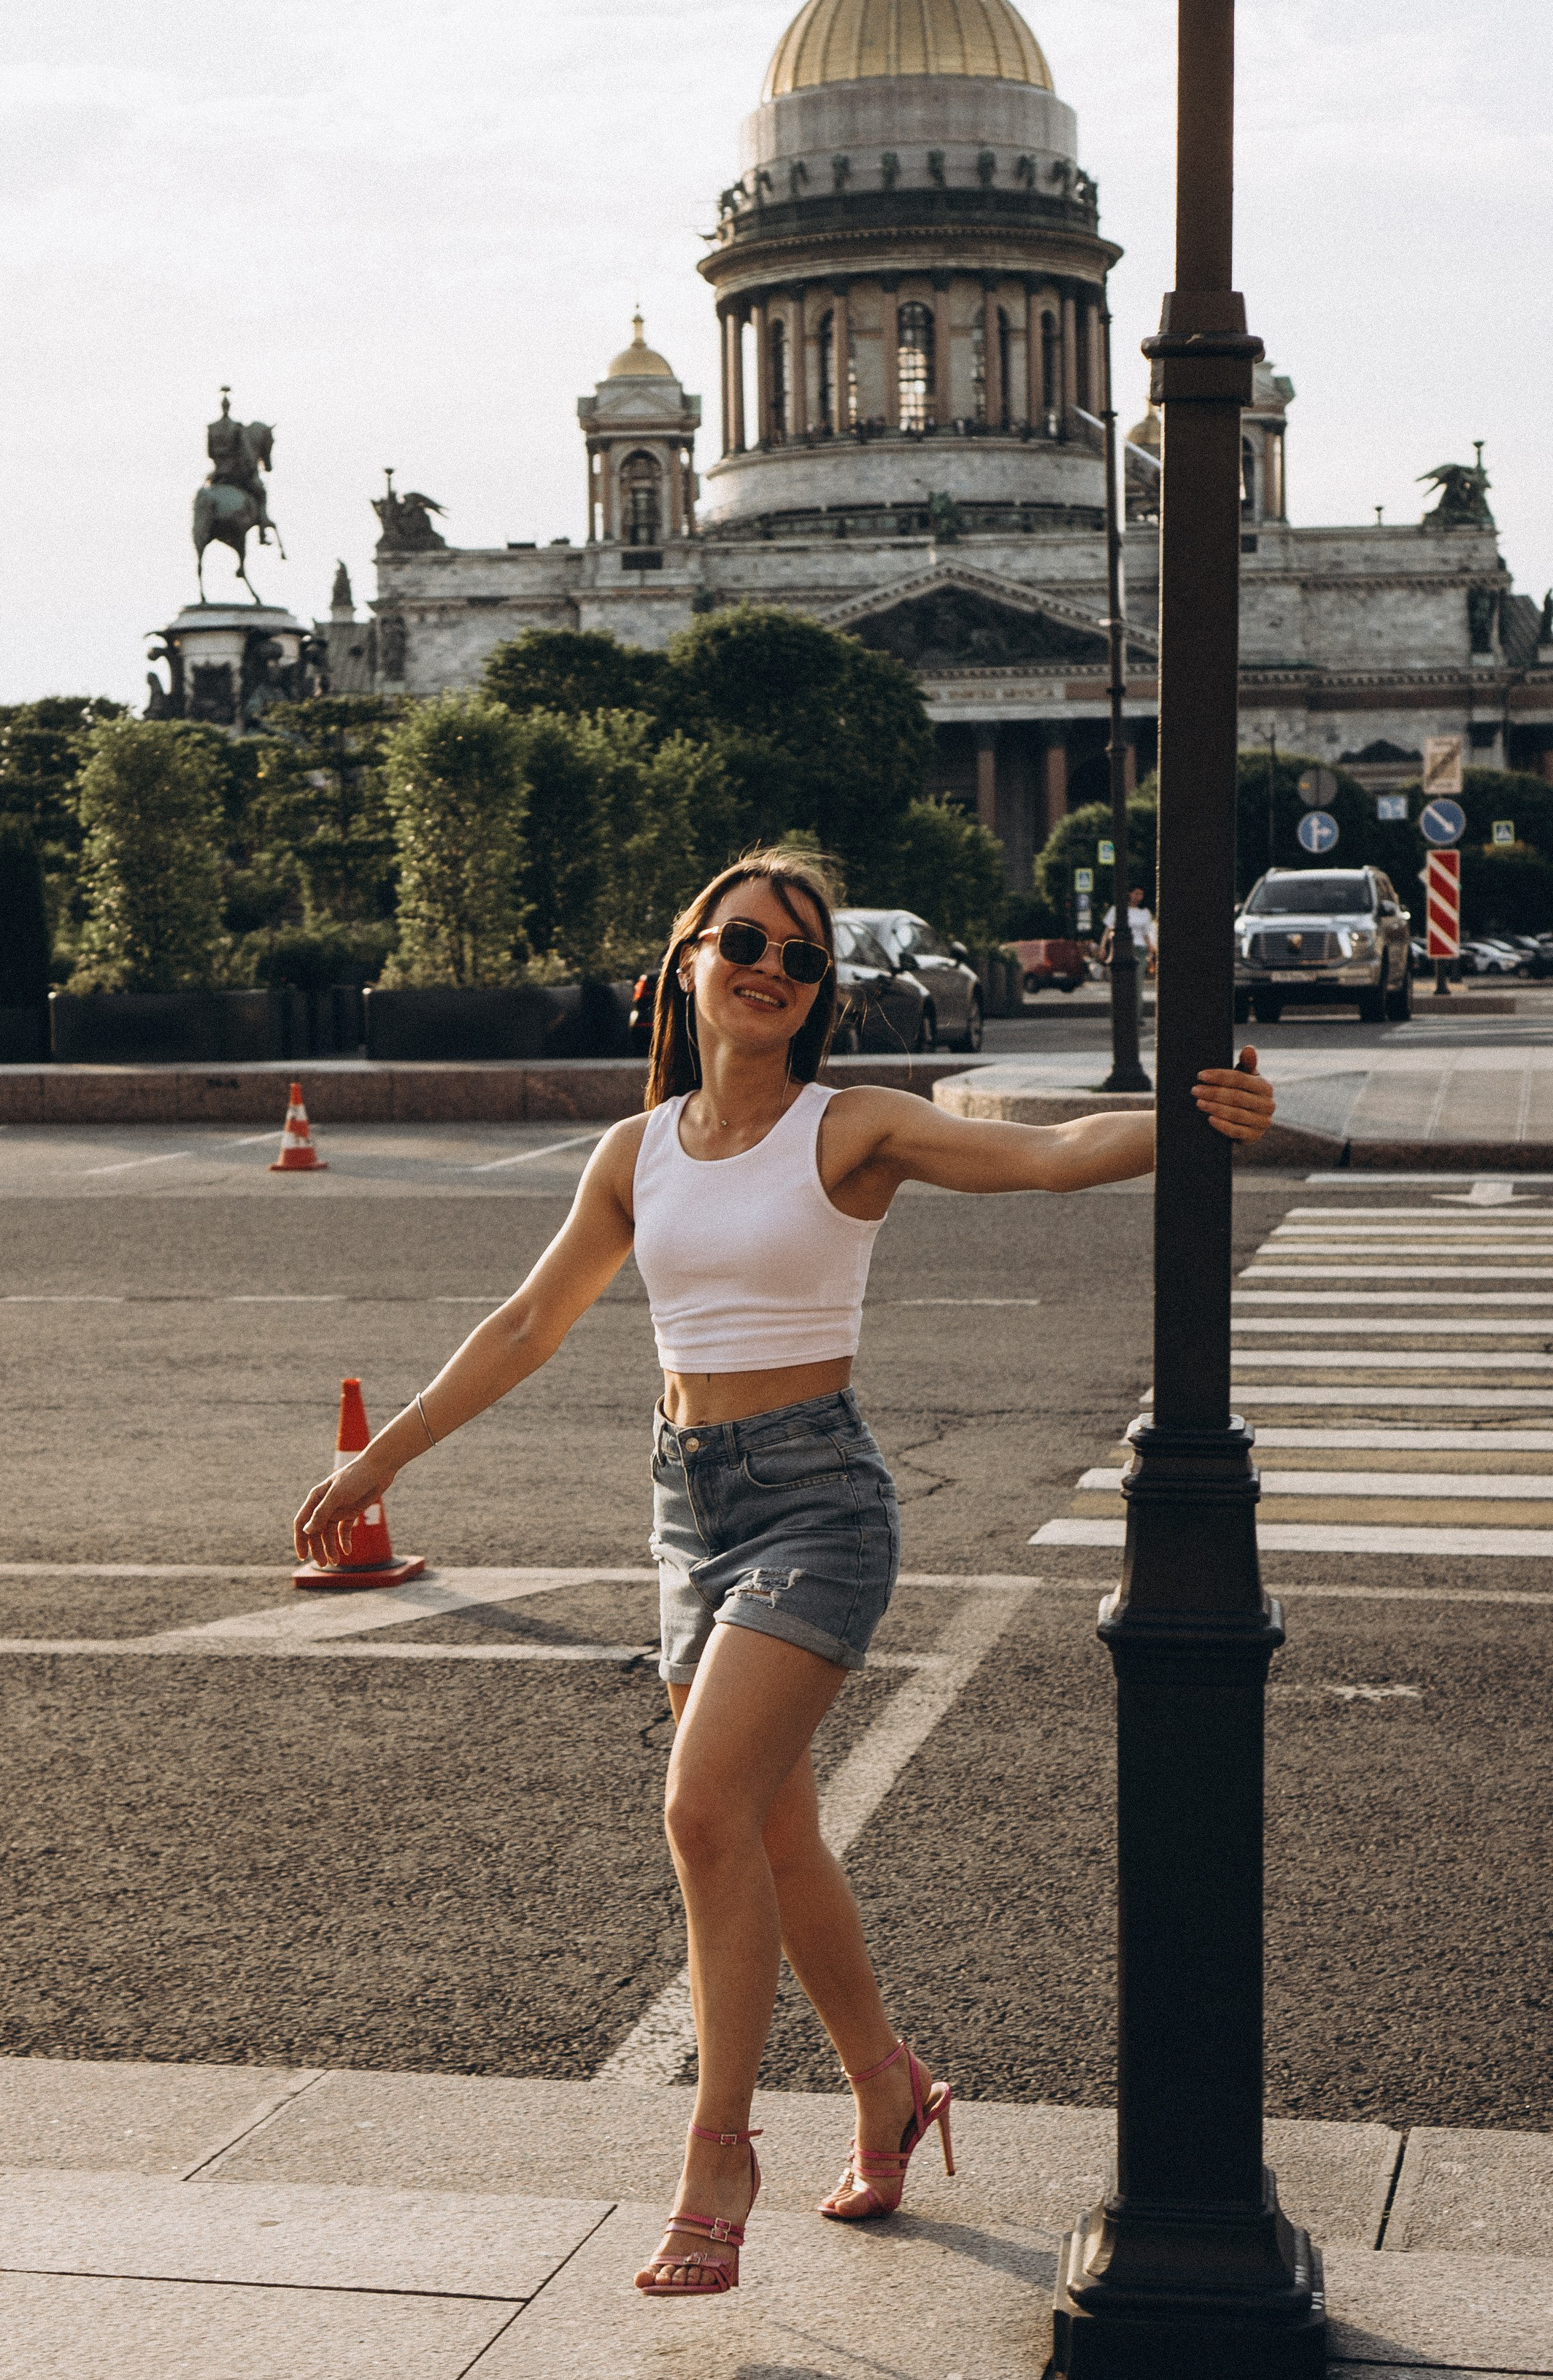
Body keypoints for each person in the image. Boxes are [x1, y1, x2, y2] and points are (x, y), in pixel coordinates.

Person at [294, 848, 1275, 2300]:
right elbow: (526, 1320)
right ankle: (886, 2090)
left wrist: (1195, 1117)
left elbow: (1047, 1156)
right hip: (686, 1508)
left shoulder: (851, 1127)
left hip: (816, 1506)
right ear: (684, 960)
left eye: (801, 957)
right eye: (744, 938)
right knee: (774, 1837)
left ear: (817, 998)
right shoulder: (633, 1154)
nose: (770, 965)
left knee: (700, 1809)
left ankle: (713, 2158)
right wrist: (385, 1462)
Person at [1100, 884, 1157, 977]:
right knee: (1123, 977)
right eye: (1136, 894)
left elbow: (1146, 934)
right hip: (1122, 948)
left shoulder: (1145, 912)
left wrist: (1151, 951)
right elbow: (1107, 930)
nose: (1139, 897)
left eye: (1141, 894)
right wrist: (1102, 948)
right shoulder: (1117, 909)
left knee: (1138, 977)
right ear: (1129, 894)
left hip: (1140, 949)